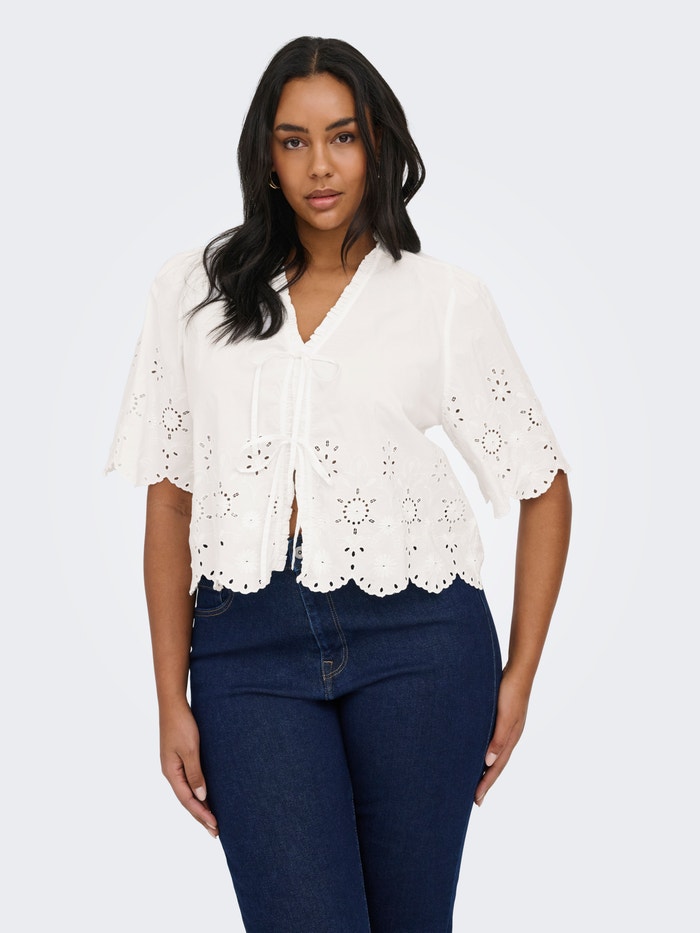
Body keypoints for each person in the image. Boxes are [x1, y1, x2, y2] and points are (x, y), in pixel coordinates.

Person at [106, 35, 572, 933]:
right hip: (247, 651)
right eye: (294, 140)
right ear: (266, 156)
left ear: (377, 146)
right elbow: (170, 499)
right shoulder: (193, 293)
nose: (319, 165)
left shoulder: (442, 299)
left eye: (343, 137)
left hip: (422, 642)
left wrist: (518, 677)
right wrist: (170, 697)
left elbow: (543, 485)